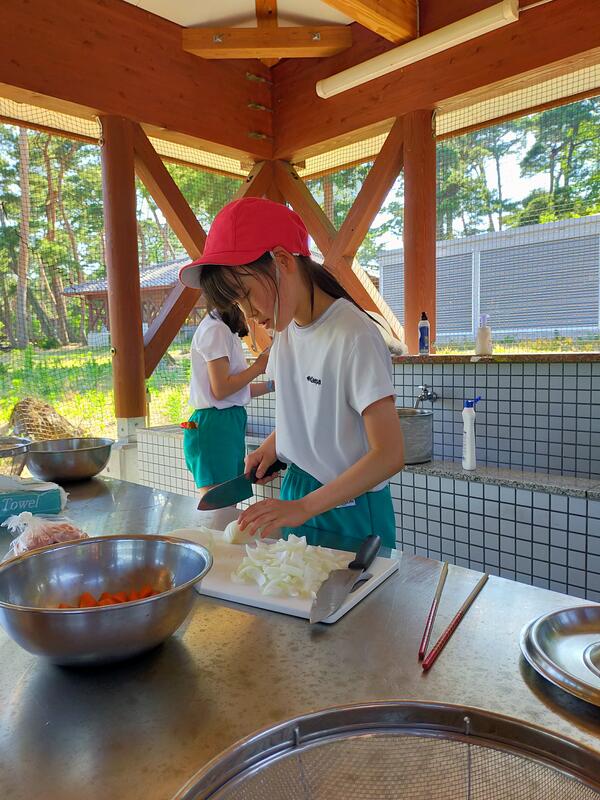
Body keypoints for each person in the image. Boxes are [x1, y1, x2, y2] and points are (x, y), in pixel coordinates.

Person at [179, 197, 404, 552]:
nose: (249, 314)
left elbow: (389, 454)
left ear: (282, 261)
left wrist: (303, 508)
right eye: (237, 306)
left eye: (246, 296)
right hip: (297, 495)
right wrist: (275, 446)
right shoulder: (286, 333)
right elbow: (315, 410)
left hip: (348, 509)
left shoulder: (354, 334)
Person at [183, 304, 273, 529]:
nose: (254, 318)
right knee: (219, 512)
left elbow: (235, 391)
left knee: (226, 510)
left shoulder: (222, 330)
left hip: (223, 423)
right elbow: (222, 389)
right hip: (215, 426)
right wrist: (260, 366)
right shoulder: (216, 330)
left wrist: (273, 384)